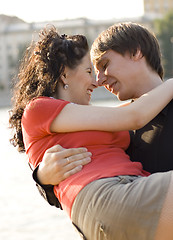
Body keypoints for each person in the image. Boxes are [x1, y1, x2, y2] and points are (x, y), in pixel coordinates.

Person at [9, 24, 173, 240]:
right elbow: (133, 115)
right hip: (118, 202)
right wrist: (42, 178)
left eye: (105, 65)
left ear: (136, 52)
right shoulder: (124, 127)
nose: (99, 81)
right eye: (91, 71)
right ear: (64, 75)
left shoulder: (115, 125)